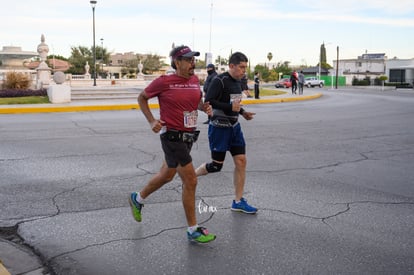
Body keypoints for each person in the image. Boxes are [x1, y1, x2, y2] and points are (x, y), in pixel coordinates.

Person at [129, 45, 216, 244]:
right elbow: (142, 97)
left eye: (194, 59)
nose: (193, 63)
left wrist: (204, 107)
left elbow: (195, 102)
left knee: (167, 175)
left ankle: (138, 198)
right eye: (188, 60)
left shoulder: (194, 80)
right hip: (171, 137)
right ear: (177, 62)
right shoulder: (164, 81)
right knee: (191, 180)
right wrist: (151, 120)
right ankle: (193, 230)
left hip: (188, 137)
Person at [195, 52, 258, 214]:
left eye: (245, 67)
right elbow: (209, 101)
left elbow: (234, 103)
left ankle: (238, 201)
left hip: (234, 128)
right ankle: (191, 177)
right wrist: (231, 108)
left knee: (241, 161)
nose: (244, 71)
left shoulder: (238, 81)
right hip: (219, 128)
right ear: (231, 66)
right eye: (241, 67)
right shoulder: (219, 80)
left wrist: (243, 112)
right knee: (216, 166)